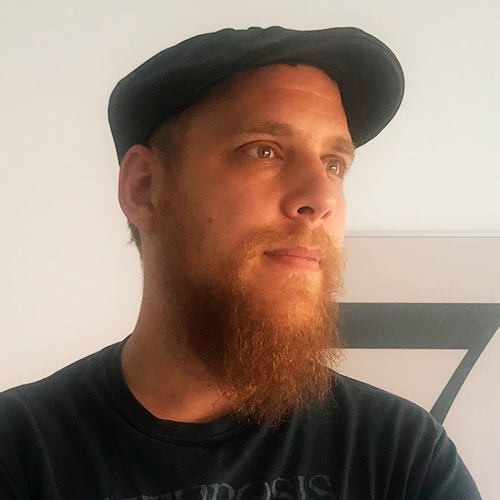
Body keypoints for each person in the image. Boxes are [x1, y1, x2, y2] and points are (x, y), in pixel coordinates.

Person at [0, 26, 482, 500]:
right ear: (144, 189)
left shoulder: (399, 452)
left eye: (334, 164)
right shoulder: (19, 450)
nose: (321, 198)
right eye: (263, 150)